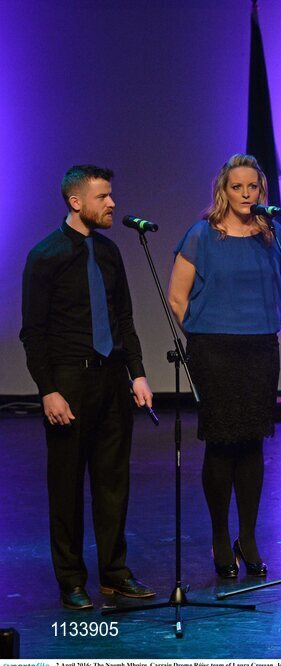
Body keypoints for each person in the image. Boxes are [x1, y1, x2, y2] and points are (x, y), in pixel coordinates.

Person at [20, 165, 156, 610]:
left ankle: (115, 573)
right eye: (103, 197)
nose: (112, 203)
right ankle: (71, 579)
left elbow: (124, 319)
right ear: (76, 202)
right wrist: (48, 390)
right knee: (66, 486)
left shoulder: (111, 252)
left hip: (111, 379)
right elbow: (33, 332)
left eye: (111, 195)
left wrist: (137, 372)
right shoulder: (46, 256)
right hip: (69, 382)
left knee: (113, 482)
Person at [168, 154, 281, 579]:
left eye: (252, 187)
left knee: (253, 442)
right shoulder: (202, 235)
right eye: (237, 187)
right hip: (214, 352)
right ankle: (221, 537)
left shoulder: (271, 236)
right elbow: (177, 297)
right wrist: (203, 336)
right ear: (224, 190)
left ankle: (248, 536)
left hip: (260, 348)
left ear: (262, 191)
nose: (245, 194)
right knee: (222, 443)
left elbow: (279, 284)